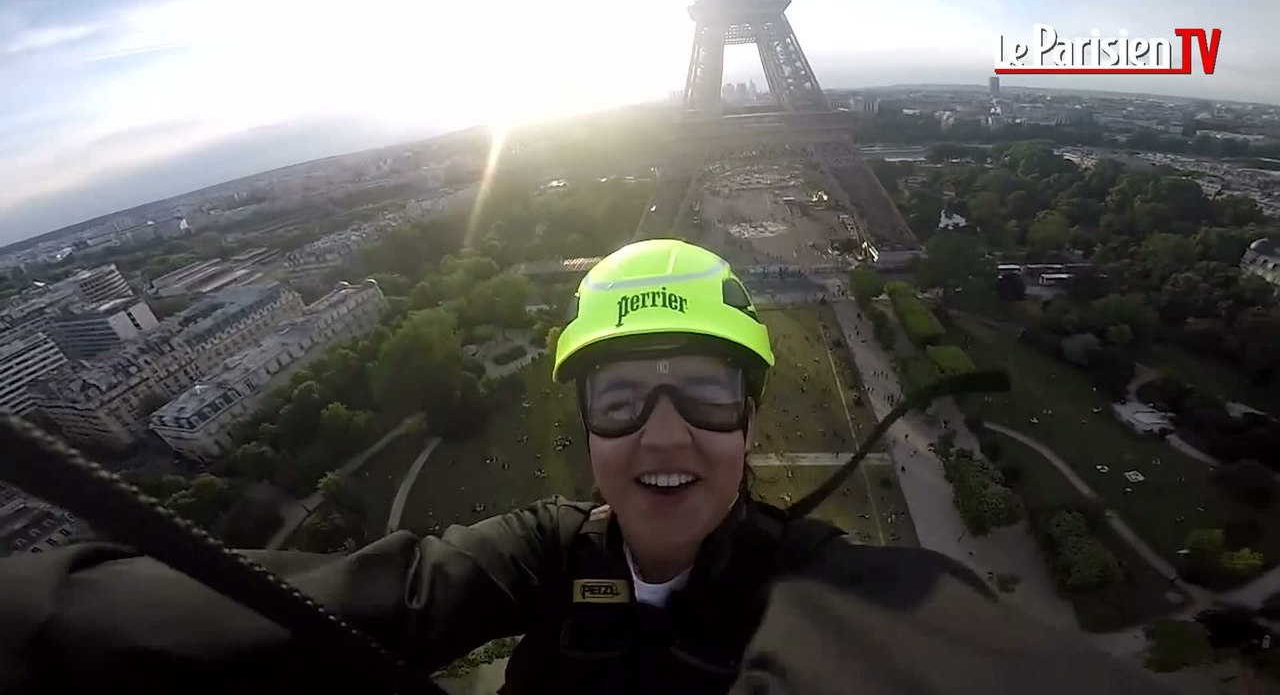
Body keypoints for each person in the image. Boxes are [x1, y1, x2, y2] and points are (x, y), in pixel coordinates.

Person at [0, 240, 1169, 695]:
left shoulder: (831, 588)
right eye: (621, 397)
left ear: (749, 418)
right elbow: (322, 604)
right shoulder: (539, 551)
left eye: (702, 393)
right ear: (588, 431)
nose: (662, 433)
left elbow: (920, 648)